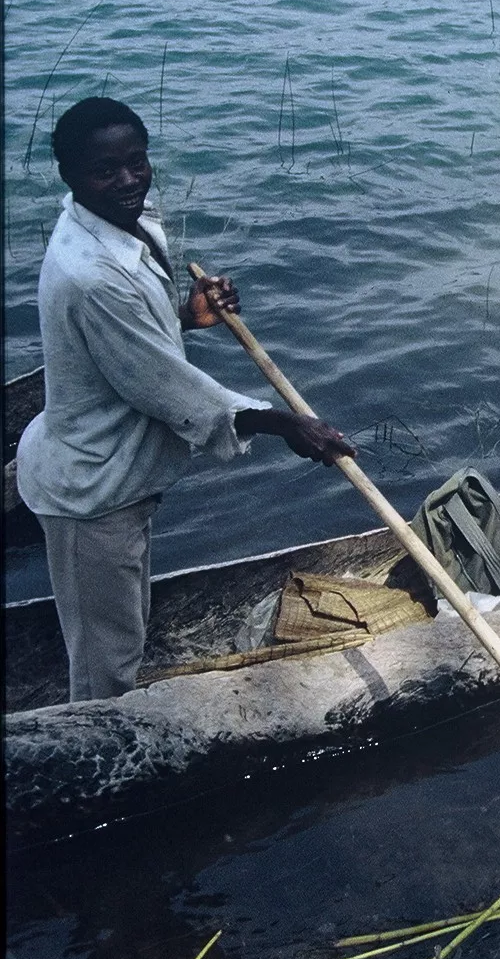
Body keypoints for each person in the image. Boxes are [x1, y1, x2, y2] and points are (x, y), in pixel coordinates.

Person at [16, 96, 356, 701]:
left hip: (120, 477)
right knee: (106, 668)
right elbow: (173, 392)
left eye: (137, 162)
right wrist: (287, 423)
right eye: (106, 171)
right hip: (91, 490)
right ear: (70, 176)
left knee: (123, 629)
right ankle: (101, 765)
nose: (129, 180)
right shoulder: (89, 274)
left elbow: (136, 347)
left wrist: (186, 317)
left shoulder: (127, 220)